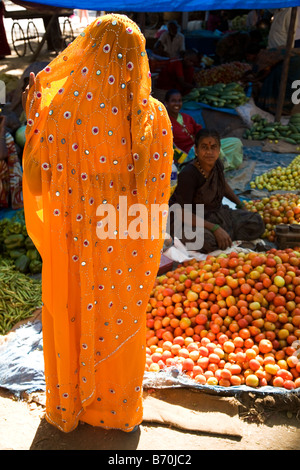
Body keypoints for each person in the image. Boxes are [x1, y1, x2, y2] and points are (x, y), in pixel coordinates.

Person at [22, 14, 173, 434]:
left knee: (74, 313)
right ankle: (117, 408)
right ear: (138, 59)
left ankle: (74, 404)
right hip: (124, 239)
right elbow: (158, 190)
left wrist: (33, 119)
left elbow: (36, 179)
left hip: (75, 242)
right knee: (120, 318)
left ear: (87, 51)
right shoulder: (154, 120)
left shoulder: (61, 116)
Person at [169, 129, 264, 254]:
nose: (209, 152)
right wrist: (214, 228)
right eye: (204, 147)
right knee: (206, 241)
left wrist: (240, 204)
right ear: (196, 151)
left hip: (216, 213)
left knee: (256, 222)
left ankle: (226, 236)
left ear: (219, 150)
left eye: (213, 147)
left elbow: (222, 184)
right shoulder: (188, 174)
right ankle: (225, 236)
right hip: (190, 220)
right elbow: (181, 213)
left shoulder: (217, 164)